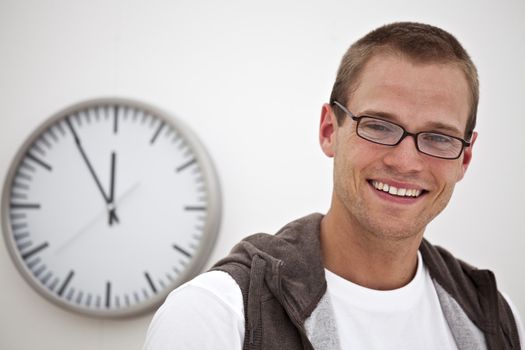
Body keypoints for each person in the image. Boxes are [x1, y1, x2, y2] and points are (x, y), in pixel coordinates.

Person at [143, 22, 524, 349]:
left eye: (439, 137)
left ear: (465, 159)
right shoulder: (215, 315)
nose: (406, 161)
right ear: (329, 131)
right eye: (378, 125)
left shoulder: (494, 316)